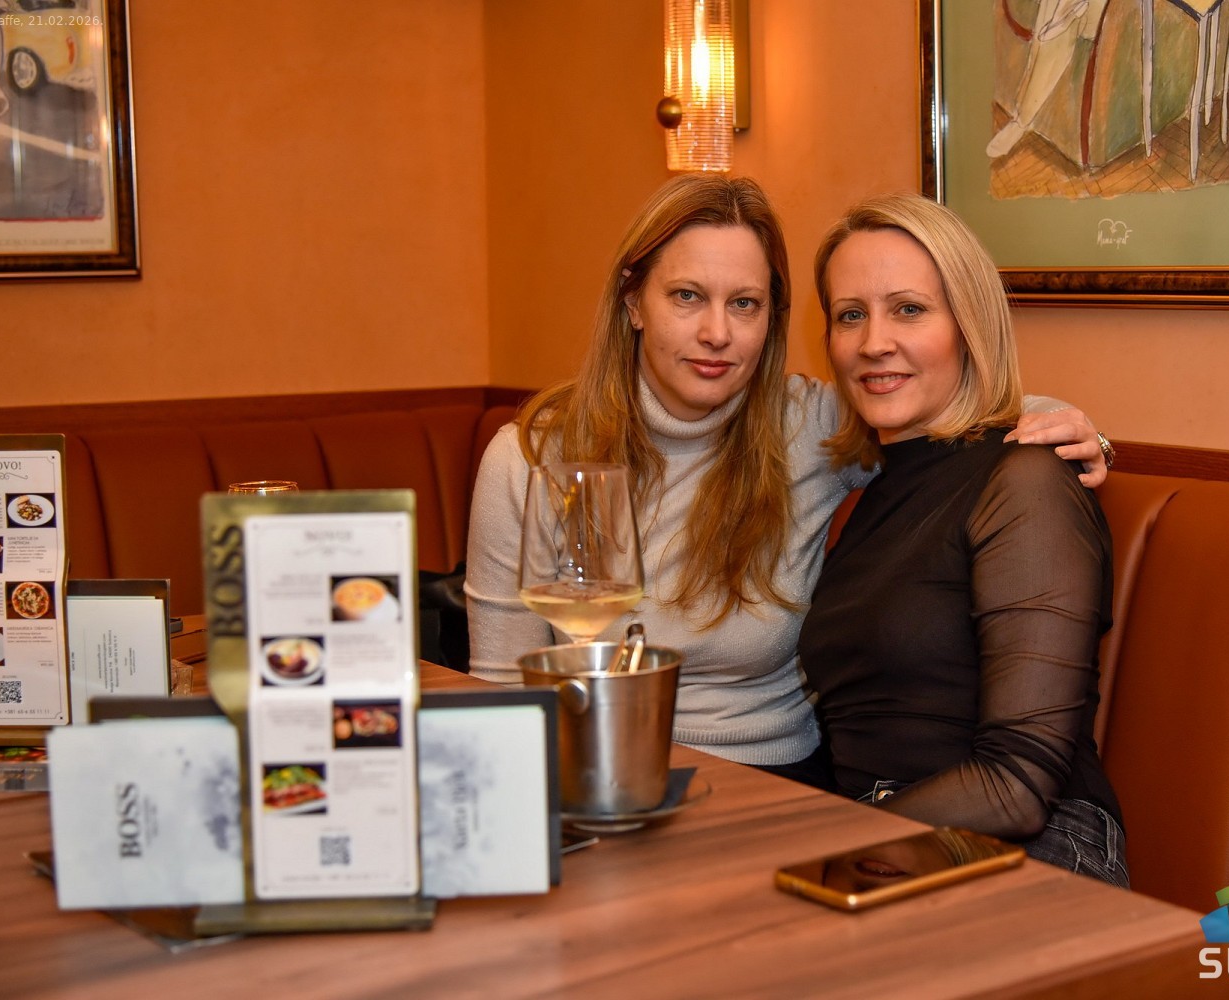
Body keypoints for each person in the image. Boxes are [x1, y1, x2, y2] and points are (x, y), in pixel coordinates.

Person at [465, 175, 1107, 786]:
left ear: (771, 316)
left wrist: (1074, 428)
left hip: (776, 777)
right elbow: (499, 695)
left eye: (744, 304)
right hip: (595, 771)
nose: (717, 334)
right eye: (687, 296)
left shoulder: (808, 427)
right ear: (633, 302)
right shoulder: (529, 460)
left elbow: (952, 412)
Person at [797, 192, 1127, 886]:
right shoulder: (869, 492)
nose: (873, 342)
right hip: (888, 836)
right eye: (850, 315)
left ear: (967, 325)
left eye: (908, 309)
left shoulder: (1027, 480)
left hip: (1028, 848)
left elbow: (1017, 785)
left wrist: (824, 849)